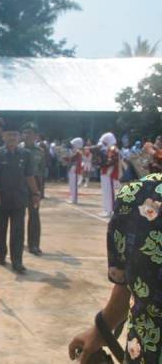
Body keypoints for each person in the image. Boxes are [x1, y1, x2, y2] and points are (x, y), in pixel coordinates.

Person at [68, 173, 162, 364]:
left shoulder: (137, 195)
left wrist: (102, 329)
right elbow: (128, 282)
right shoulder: (136, 195)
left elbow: (128, 280)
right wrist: (101, 329)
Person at [0, 122, 41, 274]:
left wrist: (36, 193)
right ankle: (1, 253)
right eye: (9, 134)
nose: (12, 138)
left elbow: (30, 176)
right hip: (0, 200)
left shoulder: (26, 155)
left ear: (19, 137)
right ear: (3, 136)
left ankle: (17, 261)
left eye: (15, 135)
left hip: (19, 199)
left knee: (18, 232)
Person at [21, 122, 45, 256]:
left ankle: (34, 244)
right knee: (18, 215)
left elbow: (41, 172)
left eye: (30, 133)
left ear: (36, 136)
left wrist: (40, 191)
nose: (27, 135)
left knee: (34, 215)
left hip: (33, 187)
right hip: (19, 186)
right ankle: (18, 241)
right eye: (25, 132)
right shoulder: (17, 149)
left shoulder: (40, 152)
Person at [98, 132, 121, 217]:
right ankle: (106, 210)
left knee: (109, 193)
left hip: (109, 173)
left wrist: (103, 163)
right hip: (105, 172)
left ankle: (110, 210)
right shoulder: (109, 149)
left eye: (104, 142)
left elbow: (112, 161)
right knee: (105, 192)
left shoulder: (113, 149)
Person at [67, 137, 84, 205]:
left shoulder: (78, 152)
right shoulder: (76, 151)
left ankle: (74, 199)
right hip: (72, 169)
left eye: (73, 144)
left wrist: (65, 157)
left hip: (75, 169)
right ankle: (72, 198)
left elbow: (72, 159)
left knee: (74, 185)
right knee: (71, 185)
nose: (72, 146)